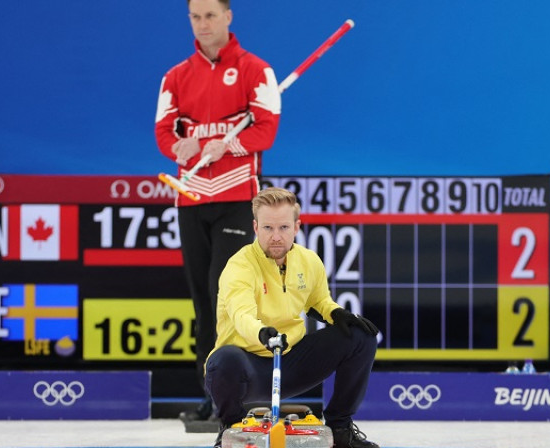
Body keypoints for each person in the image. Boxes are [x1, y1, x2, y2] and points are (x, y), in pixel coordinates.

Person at [154, 0, 282, 421]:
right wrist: (180, 146)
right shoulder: (175, 77)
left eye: (211, 15)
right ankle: (212, 396)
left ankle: (239, 394)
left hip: (235, 199)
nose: (203, 23)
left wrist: (228, 144)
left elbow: (266, 129)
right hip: (191, 197)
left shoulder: (255, 70)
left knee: (225, 296)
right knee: (201, 303)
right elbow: (163, 132)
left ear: (228, 16)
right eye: (195, 16)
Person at [205, 187, 380, 448]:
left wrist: (336, 312)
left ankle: (340, 427)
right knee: (222, 361)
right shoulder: (239, 266)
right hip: (247, 368)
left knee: (360, 337)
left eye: (284, 228)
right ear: (255, 227)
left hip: (291, 361)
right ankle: (232, 429)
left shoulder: (309, 261)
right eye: (268, 228)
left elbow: (318, 301)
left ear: (297, 227)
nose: (276, 237)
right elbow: (241, 314)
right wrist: (263, 333)